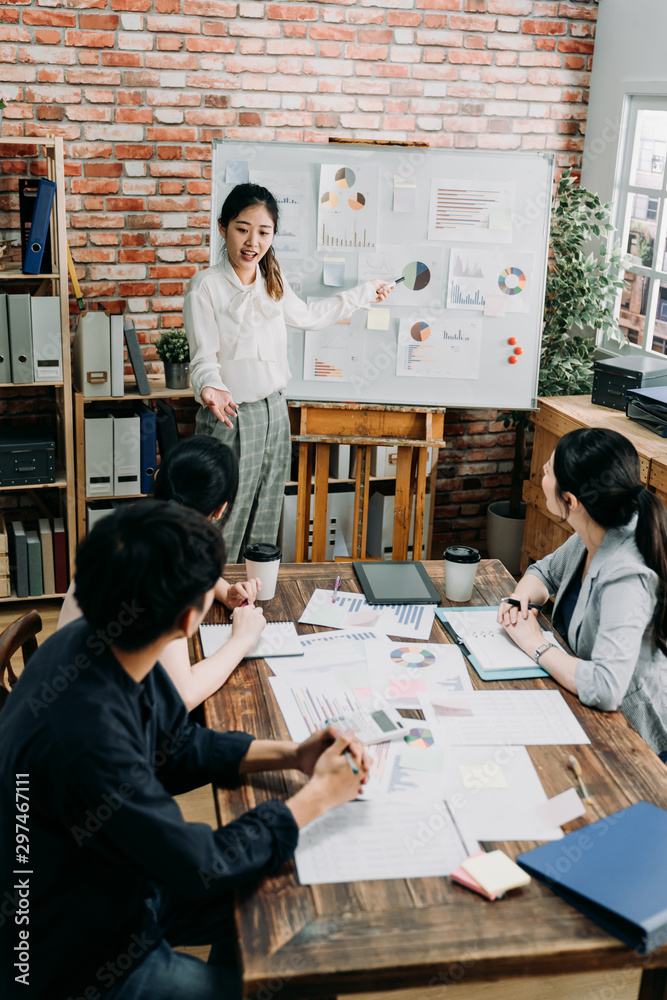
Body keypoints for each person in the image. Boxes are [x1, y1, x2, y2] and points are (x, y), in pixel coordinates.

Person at [0, 502, 368, 1000]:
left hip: (112, 881)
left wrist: (292, 754)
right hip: (74, 958)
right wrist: (319, 796)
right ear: (188, 620)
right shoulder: (90, 742)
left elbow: (174, 745)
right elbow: (202, 864)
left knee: (285, 894)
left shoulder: (97, 642)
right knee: (306, 974)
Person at [183, 182, 394, 563]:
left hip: (275, 415)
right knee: (222, 518)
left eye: (263, 232)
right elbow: (204, 358)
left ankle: (254, 601)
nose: (253, 241)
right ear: (222, 228)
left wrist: (364, 293)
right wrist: (210, 387)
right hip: (230, 417)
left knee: (265, 515)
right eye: (242, 229)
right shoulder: (205, 287)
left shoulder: (271, 283)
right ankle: (209, 602)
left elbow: (313, 317)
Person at [57, 436, 266, 710]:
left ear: (159, 477)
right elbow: (183, 696)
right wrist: (242, 640)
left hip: (62, 674)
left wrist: (224, 592)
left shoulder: (134, 522)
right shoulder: (166, 567)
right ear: (220, 509)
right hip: (89, 710)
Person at [498, 427, 667, 757]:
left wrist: (535, 644)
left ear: (570, 501)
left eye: (547, 472)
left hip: (635, 740)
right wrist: (520, 599)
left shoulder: (627, 575)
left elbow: (605, 686)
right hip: (583, 706)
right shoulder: (594, 528)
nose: (543, 474)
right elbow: (543, 573)